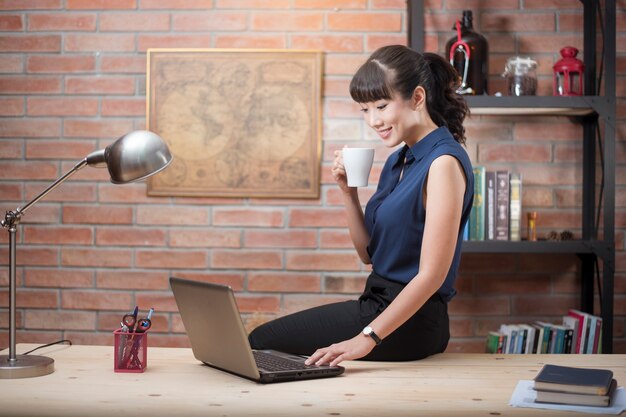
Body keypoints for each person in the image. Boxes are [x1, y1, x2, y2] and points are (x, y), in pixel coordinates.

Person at [248, 45, 474, 367]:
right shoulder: (400, 159)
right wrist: (348, 193)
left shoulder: (442, 163)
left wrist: (365, 339)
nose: (373, 121)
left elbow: (431, 276)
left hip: (413, 321)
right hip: (377, 304)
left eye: (381, 106)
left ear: (418, 98)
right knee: (263, 342)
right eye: (365, 110)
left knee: (260, 341)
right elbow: (369, 254)